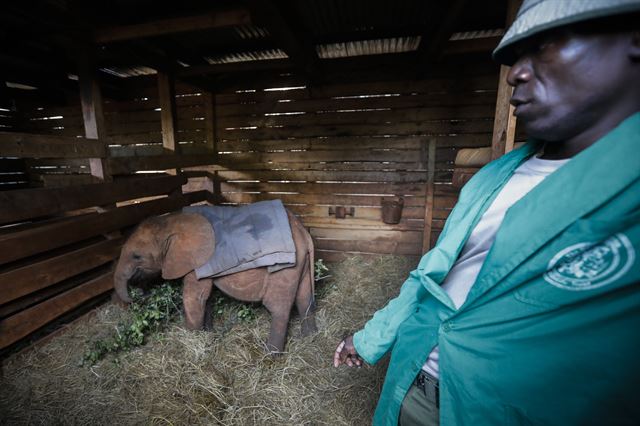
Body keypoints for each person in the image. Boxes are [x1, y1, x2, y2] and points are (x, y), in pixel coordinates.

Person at [333, 0, 640, 425]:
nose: (515, 72)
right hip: (415, 384)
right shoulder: (492, 178)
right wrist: (370, 339)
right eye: (515, 57)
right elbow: (430, 278)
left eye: (545, 45)